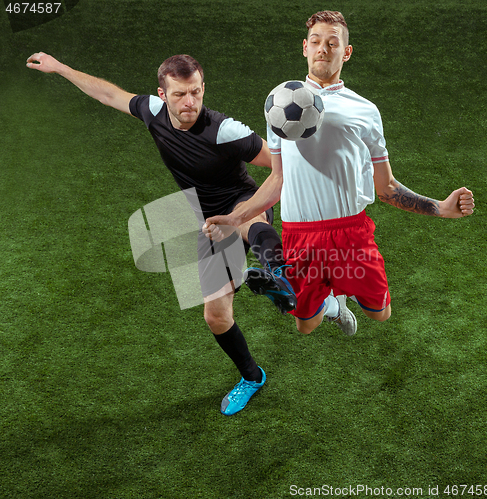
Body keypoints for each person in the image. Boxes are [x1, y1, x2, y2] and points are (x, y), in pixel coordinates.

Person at [26, 52, 296, 415]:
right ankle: (252, 376)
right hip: (206, 220)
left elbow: (280, 168)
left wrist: (242, 213)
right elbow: (108, 94)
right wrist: (60, 68)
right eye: (180, 95)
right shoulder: (152, 112)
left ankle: (279, 275)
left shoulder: (226, 130)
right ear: (162, 94)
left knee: (253, 226)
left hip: (241, 201)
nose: (190, 103)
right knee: (215, 316)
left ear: (203, 89)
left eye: (196, 93)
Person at [204, 10, 475, 337]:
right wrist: (235, 218)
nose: (323, 49)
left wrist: (439, 207)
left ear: (346, 52)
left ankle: (339, 295)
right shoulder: (278, 104)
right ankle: (334, 305)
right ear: (305, 47)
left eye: (333, 43)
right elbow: (277, 179)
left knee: (380, 313)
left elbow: (385, 186)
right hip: (298, 235)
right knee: (306, 325)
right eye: (316, 41)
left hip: (350, 234)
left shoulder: (365, 110)